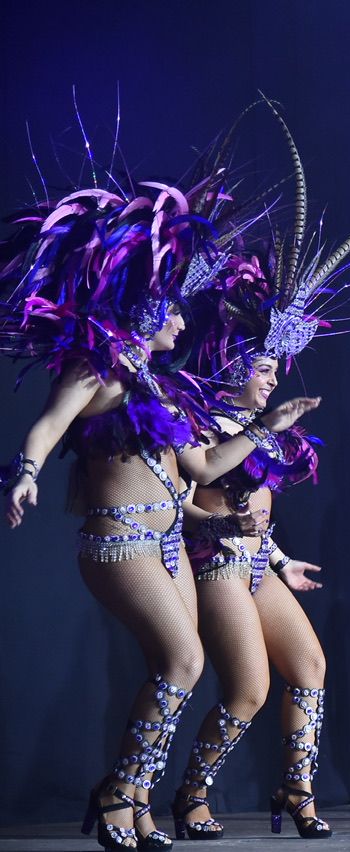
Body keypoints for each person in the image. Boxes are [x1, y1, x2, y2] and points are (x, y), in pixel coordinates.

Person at [1, 168, 315, 851]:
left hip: (171, 541)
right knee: (183, 661)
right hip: (120, 542)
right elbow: (49, 428)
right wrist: (25, 474)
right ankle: (118, 791)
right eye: (169, 308)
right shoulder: (101, 367)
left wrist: (263, 436)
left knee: (179, 665)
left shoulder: (164, 390)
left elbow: (194, 471)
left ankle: (137, 801)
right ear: (141, 308)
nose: (179, 319)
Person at [170, 110, 350, 841]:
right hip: (211, 570)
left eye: (274, 367)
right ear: (232, 364)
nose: (270, 379)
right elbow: (195, 492)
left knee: (310, 665)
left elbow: (257, 514)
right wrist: (264, 432)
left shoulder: (259, 426)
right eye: (261, 366)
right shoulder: (201, 420)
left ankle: (294, 794)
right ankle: (190, 793)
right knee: (249, 690)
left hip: (256, 568)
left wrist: (280, 556)